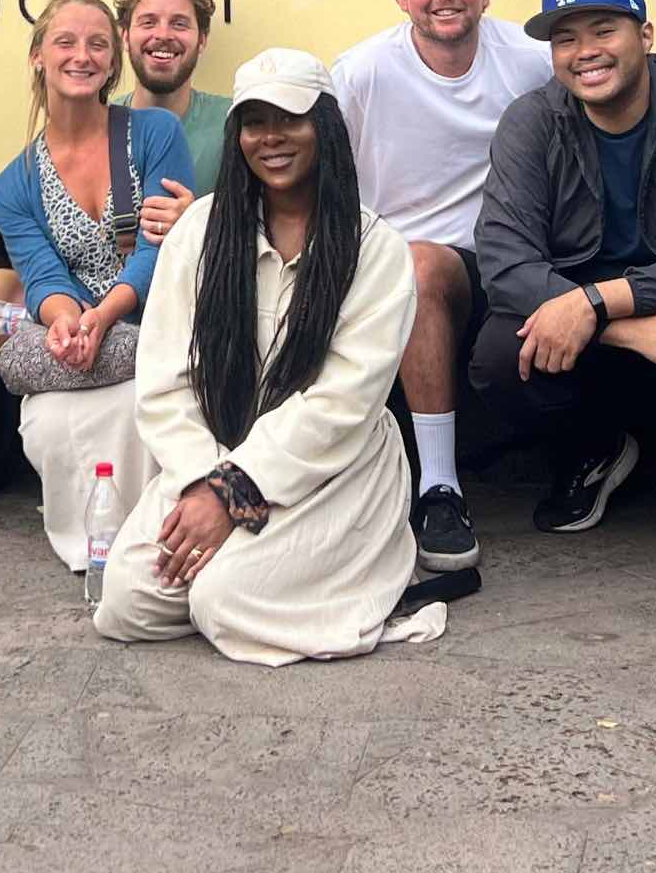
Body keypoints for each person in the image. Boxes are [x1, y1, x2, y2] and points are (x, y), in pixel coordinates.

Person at [95, 50, 447, 666]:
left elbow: (341, 405)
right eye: (254, 122)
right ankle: (275, 572)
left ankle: (338, 568)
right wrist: (207, 484)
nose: (272, 138)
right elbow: (165, 383)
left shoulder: (376, 249)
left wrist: (235, 491)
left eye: (291, 119)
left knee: (222, 601)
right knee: (126, 605)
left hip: (332, 467)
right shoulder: (198, 232)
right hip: (212, 456)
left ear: (326, 128)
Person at [470, 0, 656, 545]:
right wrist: (625, 327)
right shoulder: (531, 121)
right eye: (566, 39)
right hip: (595, 324)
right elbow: (503, 263)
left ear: (645, 34)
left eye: (604, 30)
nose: (585, 53)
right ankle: (596, 448)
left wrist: (603, 304)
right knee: (500, 352)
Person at [329, 0, 549, 577]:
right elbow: (321, 179)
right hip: (400, 267)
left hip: (510, 259)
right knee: (417, 263)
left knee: (423, 263)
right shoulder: (362, 72)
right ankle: (440, 490)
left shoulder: (532, 61)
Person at [0, 0, 196, 569]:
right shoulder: (14, 183)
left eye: (97, 45)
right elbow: (42, 275)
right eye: (65, 42)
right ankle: (93, 534)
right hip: (87, 336)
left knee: (133, 363)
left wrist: (103, 316)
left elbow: (158, 247)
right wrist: (67, 322)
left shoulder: (153, 133)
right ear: (39, 55)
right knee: (13, 348)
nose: (82, 56)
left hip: (157, 314)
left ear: (113, 64)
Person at [122, 0, 232, 195]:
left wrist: (193, 222)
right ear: (124, 36)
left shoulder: (233, 125)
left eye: (179, 24)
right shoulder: (98, 125)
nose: (163, 35)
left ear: (202, 40)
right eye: (148, 22)